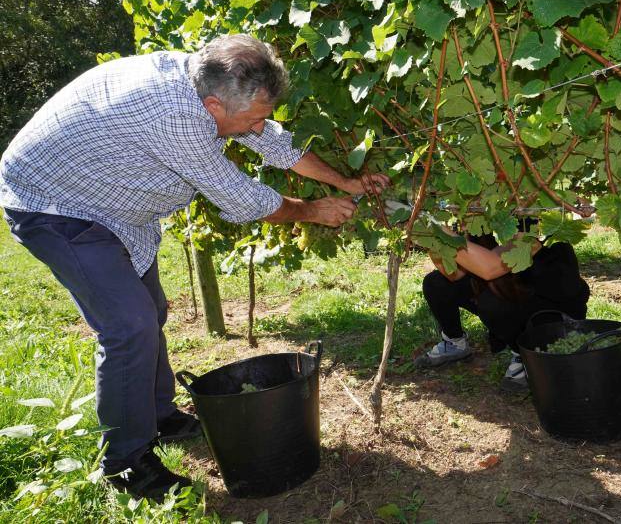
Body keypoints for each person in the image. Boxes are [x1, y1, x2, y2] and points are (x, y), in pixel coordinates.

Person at [0, 34, 389, 501]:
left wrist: (343, 181)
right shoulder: (176, 117)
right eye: (252, 119)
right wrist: (314, 210)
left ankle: (159, 416)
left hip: (110, 201)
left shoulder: (213, 83)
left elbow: (273, 139)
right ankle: (126, 464)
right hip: (55, 203)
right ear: (212, 107)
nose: (258, 126)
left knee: (151, 310)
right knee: (129, 326)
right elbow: (240, 197)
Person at [415, 221, 590, 393]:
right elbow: (454, 274)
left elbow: (490, 267)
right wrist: (430, 240)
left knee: (491, 303)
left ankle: (525, 353)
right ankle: (455, 343)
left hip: (551, 304)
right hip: (513, 287)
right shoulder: (479, 219)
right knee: (437, 283)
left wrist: (434, 230)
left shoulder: (528, 216)